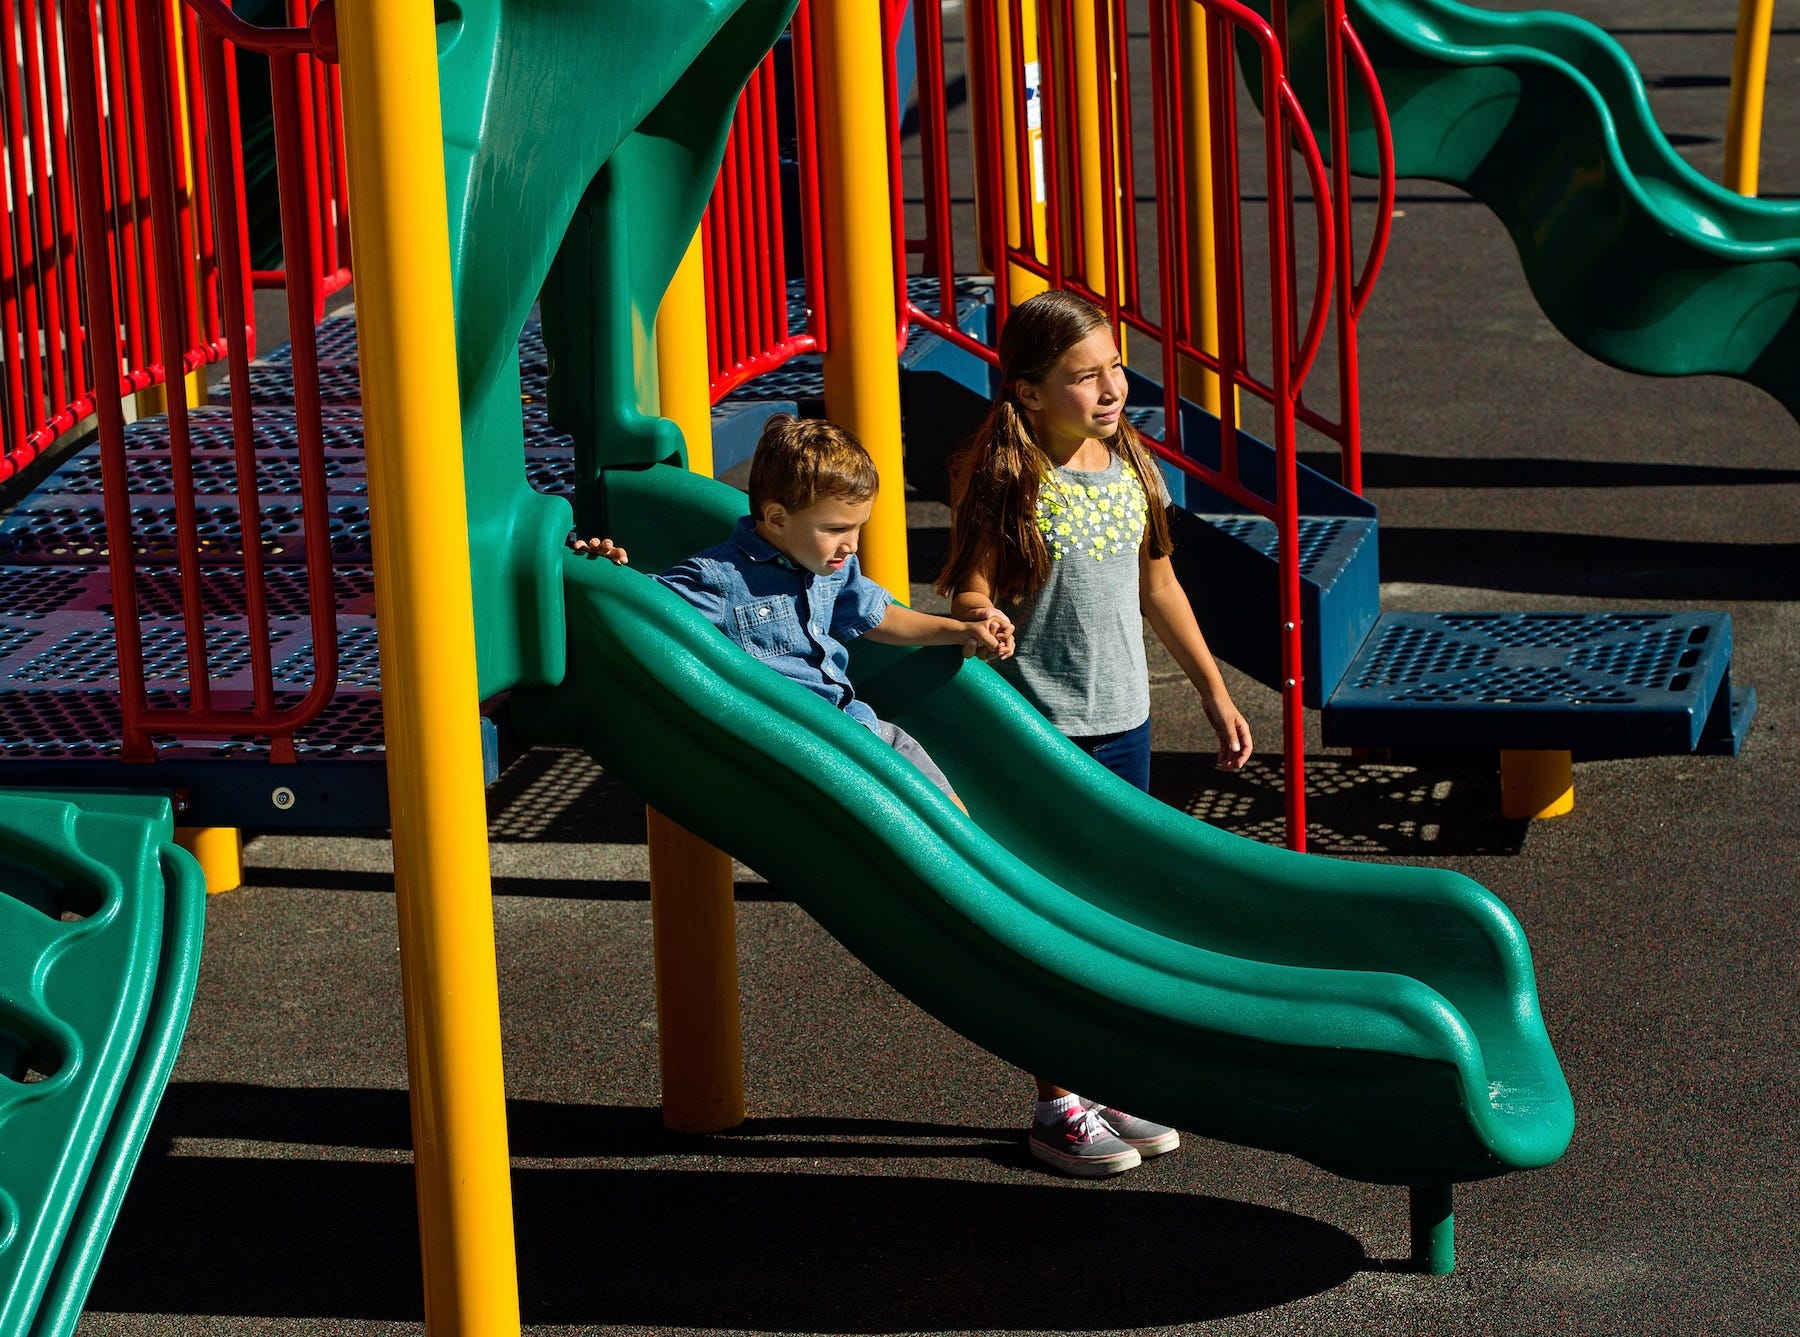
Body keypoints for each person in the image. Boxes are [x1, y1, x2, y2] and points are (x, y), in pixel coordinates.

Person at [936, 287, 1255, 1177]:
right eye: (1087, 376)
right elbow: (970, 585)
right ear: (1031, 393)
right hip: (1046, 733)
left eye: (1114, 367)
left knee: (1116, 910)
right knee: (1057, 919)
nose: (1112, 386)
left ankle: (1103, 1076)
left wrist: (1214, 692)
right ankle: (1055, 1101)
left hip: (1126, 724)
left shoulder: (1130, 467)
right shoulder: (1012, 480)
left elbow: (1160, 587)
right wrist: (977, 617)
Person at [574, 414, 1012, 812]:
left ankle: (972, 854)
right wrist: (603, 564)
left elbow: (879, 616)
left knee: (931, 784)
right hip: (797, 743)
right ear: (778, 519)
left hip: (851, 728)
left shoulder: (830, 567)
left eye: (858, 527)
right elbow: (644, 610)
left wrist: (957, 629)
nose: (852, 544)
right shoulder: (721, 578)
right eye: (836, 529)